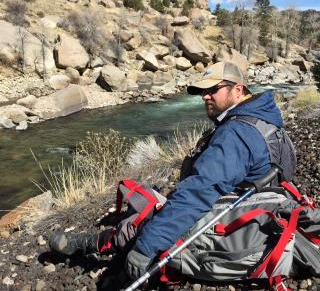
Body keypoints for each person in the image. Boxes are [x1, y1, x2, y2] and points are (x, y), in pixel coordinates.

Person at [49, 61, 296, 284]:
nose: (205, 97)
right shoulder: (265, 119)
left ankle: (90, 244)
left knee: (145, 221)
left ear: (238, 90)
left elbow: (199, 193)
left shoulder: (235, 135)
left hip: (237, 224)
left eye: (213, 90)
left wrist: (147, 246)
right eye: (202, 91)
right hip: (259, 212)